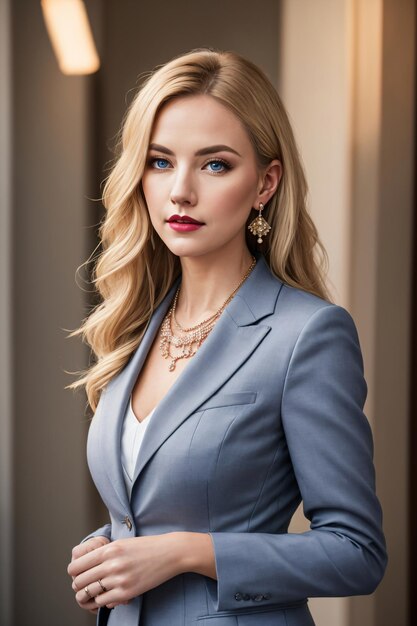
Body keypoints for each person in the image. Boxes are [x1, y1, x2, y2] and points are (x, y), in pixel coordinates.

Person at [66, 48, 387, 626]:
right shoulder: (136, 324)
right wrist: (111, 553)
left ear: (265, 182)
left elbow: (356, 553)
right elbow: (156, 503)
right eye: (160, 162)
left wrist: (185, 552)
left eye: (214, 165)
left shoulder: (307, 335)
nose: (179, 192)